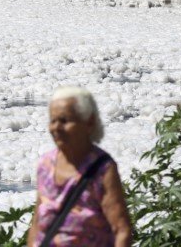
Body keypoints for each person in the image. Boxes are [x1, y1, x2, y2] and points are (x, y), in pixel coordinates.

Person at [27, 87, 132, 247]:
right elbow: (37, 226)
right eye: (52, 121)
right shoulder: (45, 165)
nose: (56, 127)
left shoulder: (102, 169)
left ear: (88, 122)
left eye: (64, 120)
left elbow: (121, 230)